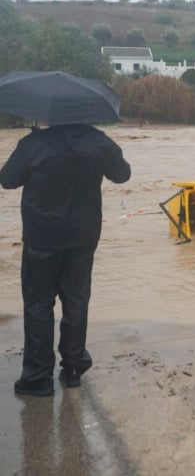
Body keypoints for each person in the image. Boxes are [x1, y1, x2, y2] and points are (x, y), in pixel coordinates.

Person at [0, 123, 131, 396]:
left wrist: (35, 145)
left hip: (41, 236)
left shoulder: (33, 144)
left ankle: (37, 377)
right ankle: (73, 368)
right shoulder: (98, 141)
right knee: (76, 299)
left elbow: (7, 179)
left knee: (38, 304)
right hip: (82, 236)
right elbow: (122, 174)